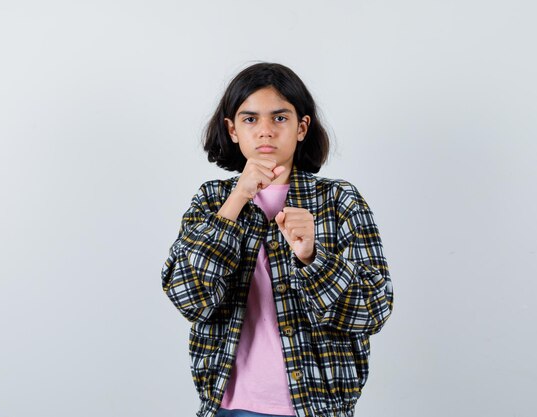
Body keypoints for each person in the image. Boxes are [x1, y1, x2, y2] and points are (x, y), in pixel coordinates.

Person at [161, 62, 394, 417]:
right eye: (250, 119)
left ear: (302, 127)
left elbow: (374, 309)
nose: (265, 131)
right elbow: (189, 299)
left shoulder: (339, 200)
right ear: (232, 129)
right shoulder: (212, 201)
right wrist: (236, 200)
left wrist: (313, 259)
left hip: (318, 407)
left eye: (280, 118)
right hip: (229, 407)